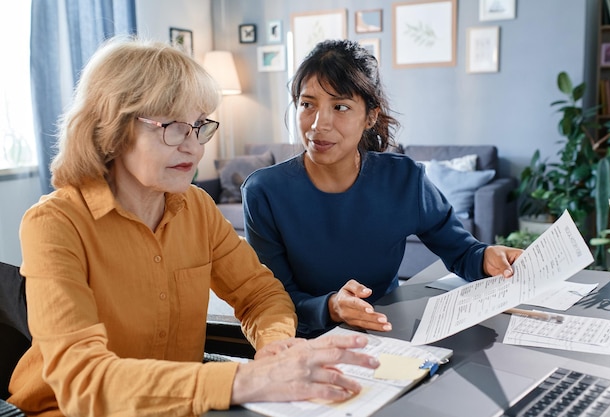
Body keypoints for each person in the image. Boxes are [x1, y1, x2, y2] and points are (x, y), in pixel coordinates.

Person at [7, 37, 379, 417]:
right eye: (172, 126)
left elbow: (261, 295)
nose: (195, 148)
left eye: (198, 126)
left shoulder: (197, 208)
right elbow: (82, 381)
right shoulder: (55, 223)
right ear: (112, 128)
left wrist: (274, 348)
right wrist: (242, 380)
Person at [242, 39, 523, 339]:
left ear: (370, 117)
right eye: (307, 104)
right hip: (308, 343)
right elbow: (273, 299)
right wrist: (331, 307)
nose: (318, 125)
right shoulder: (264, 191)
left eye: (340, 106)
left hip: (389, 332)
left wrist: (487, 257)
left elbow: (462, 251)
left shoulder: (404, 179)